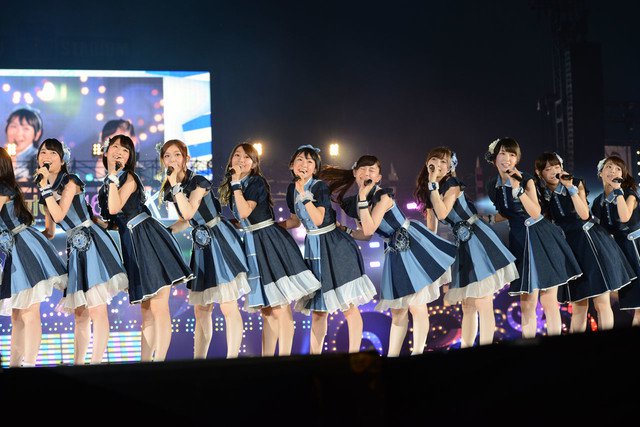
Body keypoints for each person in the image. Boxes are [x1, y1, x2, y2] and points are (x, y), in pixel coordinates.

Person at [321, 155, 457, 356]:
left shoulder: (383, 197)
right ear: (355, 173)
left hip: (412, 244)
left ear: (378, 177)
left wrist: (362, 199)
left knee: (416, 305)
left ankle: (418, 353)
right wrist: (346, 230)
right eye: (363, 169)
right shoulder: (356, 203)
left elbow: (369, 228)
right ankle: (392, 356)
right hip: (394, 252)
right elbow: (365, 235)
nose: (367, 173)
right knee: (398, 311)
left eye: (372, 170)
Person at [218, 142, 320, 356]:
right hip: (253, 243)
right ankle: (267, 360)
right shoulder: (237, 184)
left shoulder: (255, 182)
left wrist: (236, 184)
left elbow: (245, 212)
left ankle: (285, 359)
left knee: (280, 305)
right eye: (237, 155)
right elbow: (243, 220)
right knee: (266, 309)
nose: (241, 160)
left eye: (247, 157)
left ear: (254, 164)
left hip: (269, 244)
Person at [98, 134, 193, 362]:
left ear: (129, 157)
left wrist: (112, 177)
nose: (119, 152)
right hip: (131, 244)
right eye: (115, 147)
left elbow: (114, 207)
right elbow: (114, 219)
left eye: (125, 150)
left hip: (148, 239)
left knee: (159, 307)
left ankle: (160, 363)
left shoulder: (128, 177)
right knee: (146, 311)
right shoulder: (108, 184)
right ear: (106, 151)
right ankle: (145, 363)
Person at [37, 138, 128, 364]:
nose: (47, 157)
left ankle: (96, 365)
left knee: (97, 308)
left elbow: (60, 214)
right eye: (43, 153)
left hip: (92, 243)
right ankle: (78, 365)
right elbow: (50, 231)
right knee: (80, 313)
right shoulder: (45, 192)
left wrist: (45, 188)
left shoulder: (71, 181)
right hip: (75, 250)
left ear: (62, 160)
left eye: (53, 153)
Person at [415, 147, 518, 347]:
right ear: (428, 164)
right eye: (435, 160)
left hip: (477, 237)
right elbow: (432, 228)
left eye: (444, 162)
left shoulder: (452, 184)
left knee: (483, 301)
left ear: (450, 167)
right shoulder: (432, 190)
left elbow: (443, 213)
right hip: (461, 244)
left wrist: (433, 184)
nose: (439, 165)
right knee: (468, 305)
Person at [280, 145, 376, 354]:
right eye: (300, 160)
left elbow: (318, 219)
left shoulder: (319, 187)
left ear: (315, 169)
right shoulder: (291, 189)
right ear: (292, 165)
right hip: (313, 250)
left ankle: (354, 355)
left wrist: (304, 194)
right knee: (318, 311)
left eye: (309, 161)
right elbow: (295, 221)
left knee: (348, 306)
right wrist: (272, 227)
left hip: (335, 248)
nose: (304, 164)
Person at [160, 139, 249, 359]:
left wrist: (175, 186)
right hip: (201, 245)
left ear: (186, 158)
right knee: (201, 310)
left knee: (228, 305)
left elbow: (189, 211)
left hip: (218, 238)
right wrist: (166, 232)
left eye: (177, 155)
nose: (172, 159)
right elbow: (185, 220)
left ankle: (232, 360)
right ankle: (198, 361)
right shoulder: (173, 190)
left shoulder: (199, 181)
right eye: (167, 156)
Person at [485, 137, 582, 338]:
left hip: (541, 236)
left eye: (512, 155)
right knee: (527, 303)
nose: (507, 159)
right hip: (519, 239)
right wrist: (489, 219)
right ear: (494, 158)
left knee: (548, 300)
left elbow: (535, 212)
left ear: (517, 159)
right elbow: (508, 212)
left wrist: (518, 188)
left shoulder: (526, 178)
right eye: (503, 153)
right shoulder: (492, 185)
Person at [534, 152, 635, 332]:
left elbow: (584, 214)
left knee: (601, 302)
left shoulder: (576, 183)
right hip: (568, 248)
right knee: (579, 306)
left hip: (589, 242)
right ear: (540, 173)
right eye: (548, 169)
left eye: (557, 167)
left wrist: (570, 188)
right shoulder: (540, 193)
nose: (554, 171)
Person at [0, 147, 67, 367]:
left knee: (29, 312)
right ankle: (15, 366)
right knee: (17, 315)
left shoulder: (3, 187)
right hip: (11, 251)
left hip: (23, 248)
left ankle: (29, 367)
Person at [590, 155, 640, 327]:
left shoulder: (629, 194)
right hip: (621, 253)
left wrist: (618, 191)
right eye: (609, 167)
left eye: (618, 169)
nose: (613, 171)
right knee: (634, 302)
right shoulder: (598, 202)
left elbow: (625, 217)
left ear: (622, 175)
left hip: (637, 247)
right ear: (600, 173)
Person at [4, 107, 43, 181]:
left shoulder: (41, 158)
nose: (18, 133)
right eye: (14, 126)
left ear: (37, 134)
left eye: (26, 128)